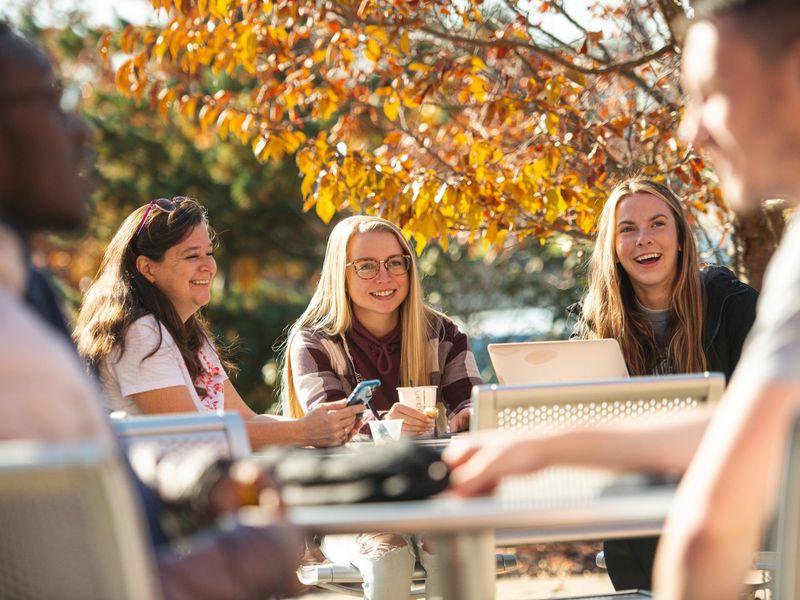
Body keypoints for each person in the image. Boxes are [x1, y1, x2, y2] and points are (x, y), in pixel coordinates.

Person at [446, 0, 800, 598]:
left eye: (713, 91)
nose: (692, 129)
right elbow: (741, 429)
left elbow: (736, 464)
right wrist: (533, 439)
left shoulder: (736, 300)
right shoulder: (791, 258)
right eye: (627, 230)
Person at [0, 23, 302, 599]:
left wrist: (199, 482)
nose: (82, 133)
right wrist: (252, 556)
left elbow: (107, 454)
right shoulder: (116, 332)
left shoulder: (28, 289)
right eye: (47, 102)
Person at [280, 214, 482, 599]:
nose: (384, 277)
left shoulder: (443, 334)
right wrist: (384, 431)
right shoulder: (315, 342)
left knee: (452, 547)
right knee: (388, 553)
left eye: (395, 262)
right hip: (350, 503)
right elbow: (329, 425)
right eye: (367, 266)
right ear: (341, 273)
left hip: (424, 496)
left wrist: (472, 416)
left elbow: (472, 399)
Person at [571, 176, 757, 590]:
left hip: (733, 486)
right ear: (613, 249)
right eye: (627, 229)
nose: (643, 239)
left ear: (679, 238)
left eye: (657, 224)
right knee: (630, 506)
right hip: (641, 494)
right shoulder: (597, 323)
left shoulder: (733, 305)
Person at [74, 197, 363, 449]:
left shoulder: (188, 332)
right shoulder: (141, 332)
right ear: (148, 268)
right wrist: (304, 431)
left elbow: (247, 420)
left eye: (208, 253)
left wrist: (321, 425)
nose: (208, 266)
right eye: (191, 256)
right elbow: (193, 435)